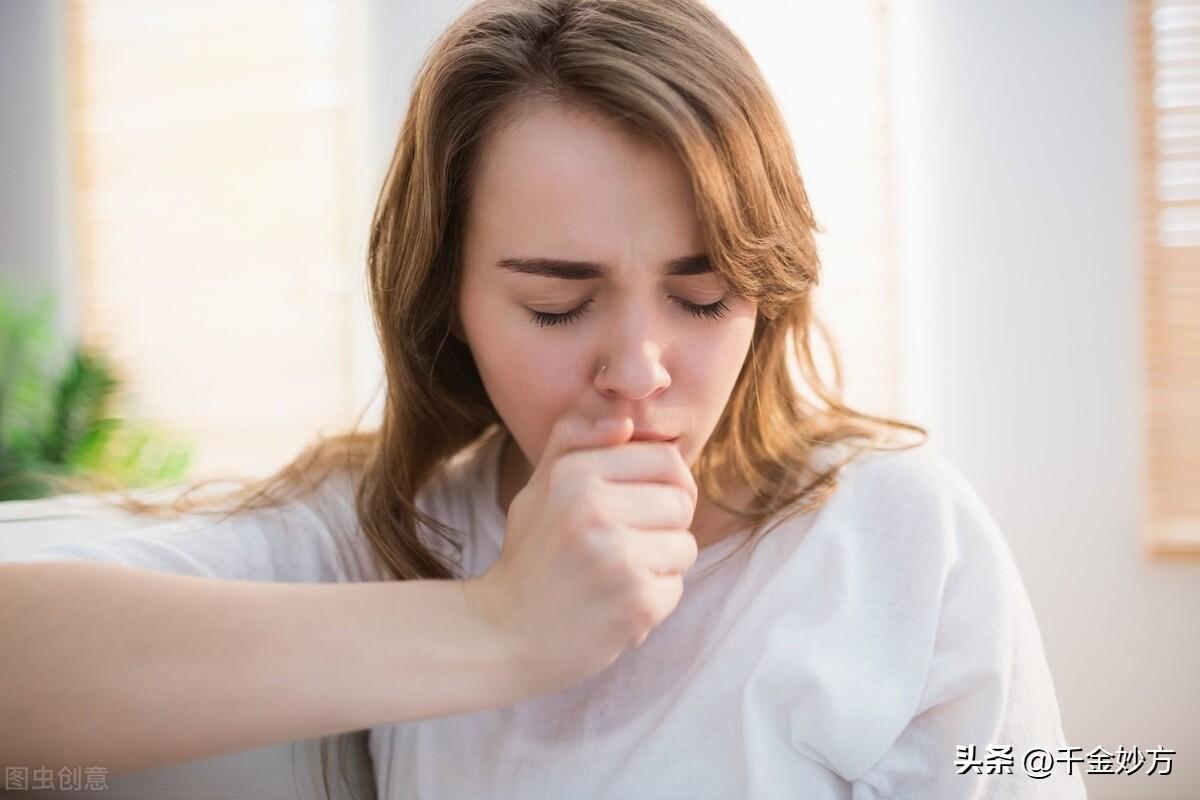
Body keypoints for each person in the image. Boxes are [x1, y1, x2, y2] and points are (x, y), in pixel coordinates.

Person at [1, 0, 1087, 797]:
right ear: (451, 304)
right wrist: (498, 623)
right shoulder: (389, 522)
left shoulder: (897, 531)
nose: (642, 367)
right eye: (559, 306)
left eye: (702, 295)